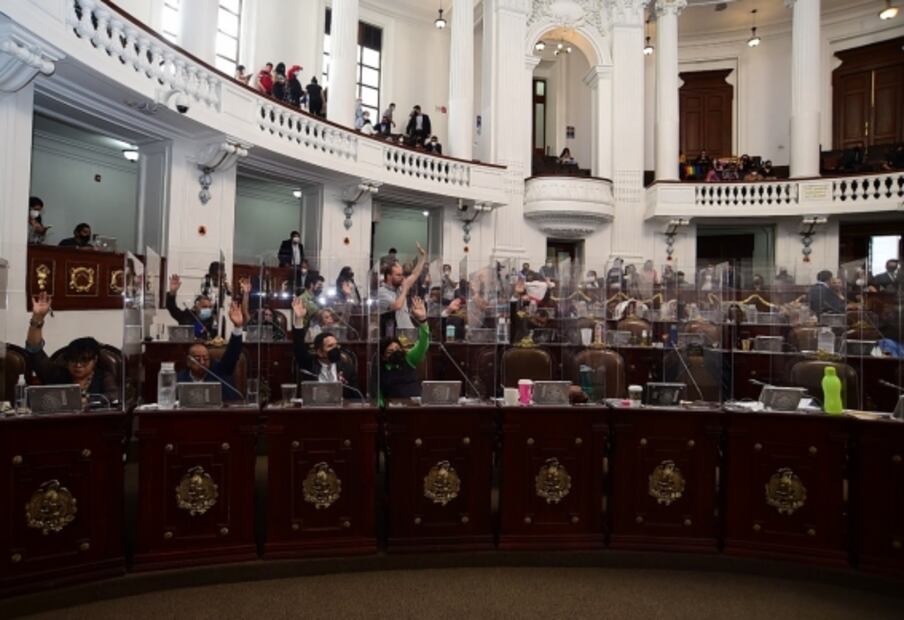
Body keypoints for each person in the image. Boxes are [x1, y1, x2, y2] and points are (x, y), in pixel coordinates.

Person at [25, 291, 120, 408]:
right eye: (73, 360)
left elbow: (113, 397)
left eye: (84, 360)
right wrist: (37, 318)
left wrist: (88, 401)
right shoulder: (57, 374)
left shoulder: (103, 377)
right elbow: (34, 351)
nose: (78, 365)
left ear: (95, 360)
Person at [291, 296, 359, 398]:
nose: (335, 348)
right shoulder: (309, 365)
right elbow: (299, 347)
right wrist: (299, 319)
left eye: (336, 345)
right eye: (330, 346)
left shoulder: (347, 368)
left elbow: (355, 397)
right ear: (320, 352)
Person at [178, 301, 246, 401]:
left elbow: (232, 353)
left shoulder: (219, 371)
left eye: (205, 359)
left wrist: (238, 327)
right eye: (197, 359)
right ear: (189, 361)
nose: (202, 362)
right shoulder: (181, 378)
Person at [378, 297, 429, 403]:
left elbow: (423, 344)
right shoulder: (380, 370)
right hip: (394, 408)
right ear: (383, 356)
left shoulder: (409, 359)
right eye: (390, 351)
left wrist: (423, 319)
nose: (396, 352)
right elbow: (379, 397)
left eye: (398, 348)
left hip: (415, 405)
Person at [378, 242, 427, 331]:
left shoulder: (399, 287)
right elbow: (397, 306)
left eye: (402, 274)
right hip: (396, 334)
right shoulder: (381, 292)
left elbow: (415, 274)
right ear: (389, 276)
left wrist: (423, 257)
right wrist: (405, 289)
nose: (402, 277)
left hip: (409, 331)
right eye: (398, 275)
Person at [166, 274, 216, 338]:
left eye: (210, 307)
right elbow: (171, 307)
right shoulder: (186, 316)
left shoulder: (213, 320)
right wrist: (173, 292)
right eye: (204, 307)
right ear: (195, 307)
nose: (208, 309)